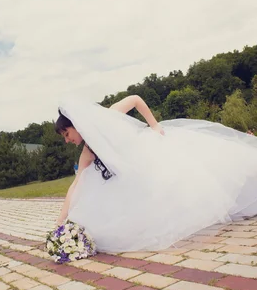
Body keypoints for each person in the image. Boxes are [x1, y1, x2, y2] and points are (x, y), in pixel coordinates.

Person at [55, 94, 257, 252]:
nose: (67, 140)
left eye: (67, 134)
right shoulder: (87, 153)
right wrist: (60, 222)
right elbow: (76, 184)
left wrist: (154, 125)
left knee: (197, 174)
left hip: (150, 154)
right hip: (133, 177)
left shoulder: (107, 117)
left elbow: (135, 99)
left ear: (76, 125)